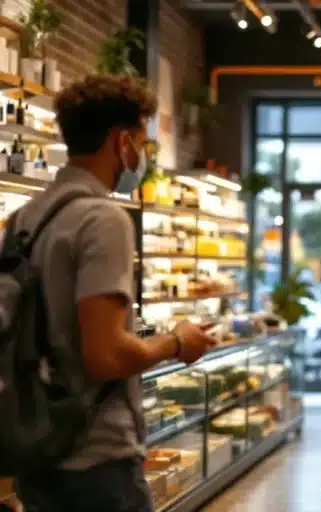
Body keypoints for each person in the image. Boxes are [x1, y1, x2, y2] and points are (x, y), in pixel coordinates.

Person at [11, 75, 216, 512]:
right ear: (122, 142)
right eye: (141, 142)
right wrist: (177, 342)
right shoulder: (103, 219)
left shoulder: (24, 220)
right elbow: (106, 355)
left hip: (34, 448)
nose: (140, 155)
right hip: (95, 459)